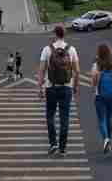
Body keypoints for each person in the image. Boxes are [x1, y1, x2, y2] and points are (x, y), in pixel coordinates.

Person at [38, 25, 79, 157]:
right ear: (64, 35)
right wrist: (75, 87)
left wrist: (40, 87)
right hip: (66, 88)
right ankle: (62, 148)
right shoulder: (71, 50)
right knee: (64, 118)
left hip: (51, 87)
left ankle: (53, 144)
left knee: (50, 116)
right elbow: (77, 71)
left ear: (55, 34)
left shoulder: (47, 49)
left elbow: (41, 70)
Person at [91, 43, 112, 154]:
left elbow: (94, 83)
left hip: (99, 96)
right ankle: (109, 141)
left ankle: (106, 139)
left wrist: (95, 82)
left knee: (101, 119)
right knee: (109, 118)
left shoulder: (96, 66)